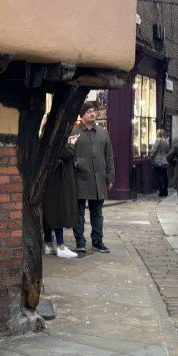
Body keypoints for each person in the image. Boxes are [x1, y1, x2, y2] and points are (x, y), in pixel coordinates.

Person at [73, 102, 115, 253]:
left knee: (97, 213)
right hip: (79, 178)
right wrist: (77, 163)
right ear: (82, 115)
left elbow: (109, 156)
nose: (93, 114)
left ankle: (98, 241)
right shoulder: (74, 132)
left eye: (94, 111)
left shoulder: (103, 133)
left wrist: (110, 177)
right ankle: (80, 241)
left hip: (98, 179)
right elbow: (68, 154)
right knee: (78, 213)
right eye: (89, 111)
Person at [43, 123, 80, 259]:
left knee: (50, 214)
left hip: (49, 182)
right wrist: (72, 143)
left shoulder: (45, 139)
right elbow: (65, 154)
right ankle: (60, 246)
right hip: (56, 183)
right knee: (58, 213)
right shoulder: (55, 140)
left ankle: (48, 244)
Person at [150, 130, 171, 197]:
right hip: (165, 162)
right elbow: (168, 151)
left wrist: (151, 157)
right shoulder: (166, 141)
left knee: (159, 176)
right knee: (165, 176)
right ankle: (166, 191)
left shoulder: (158, 140)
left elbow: (154, 150)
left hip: (158, 162)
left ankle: (161, 191)